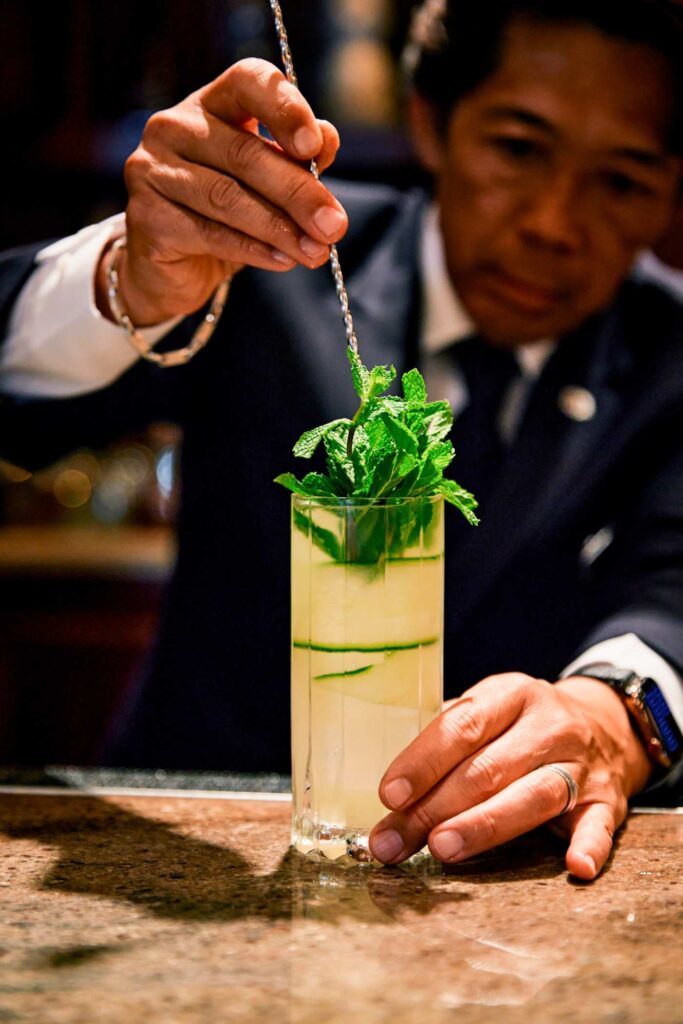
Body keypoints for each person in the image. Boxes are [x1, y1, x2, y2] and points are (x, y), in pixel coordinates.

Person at [1, 0, 682, 879]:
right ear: (429, 123)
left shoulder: (669, 364)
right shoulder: (269, 264)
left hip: (503, 890)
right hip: (207, 854)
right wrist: (130, 280)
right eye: (517, 149)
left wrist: (611, 714)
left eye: (620, 181)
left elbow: (671, 590)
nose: (553, 223)